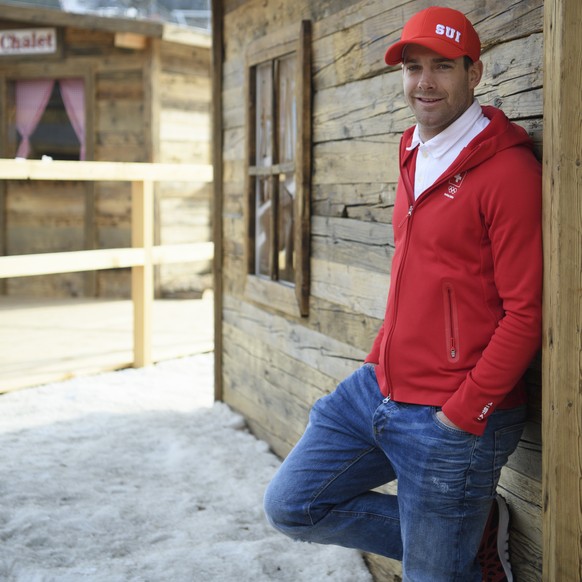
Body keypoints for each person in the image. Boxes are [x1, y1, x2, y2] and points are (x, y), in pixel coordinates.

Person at [263, 6, 542, 582]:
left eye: (442, 66)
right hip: (378, 388)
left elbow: (527, 311)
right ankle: (469, 534)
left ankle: (456, 548)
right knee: (291, 506)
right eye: (414, 68)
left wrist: (465, 413)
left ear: (475, 73)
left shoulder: (508, 173)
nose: (425, 82)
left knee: (431, 576)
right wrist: (379, 356)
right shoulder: (413, 148)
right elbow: (419, 272)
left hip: (452, 412)